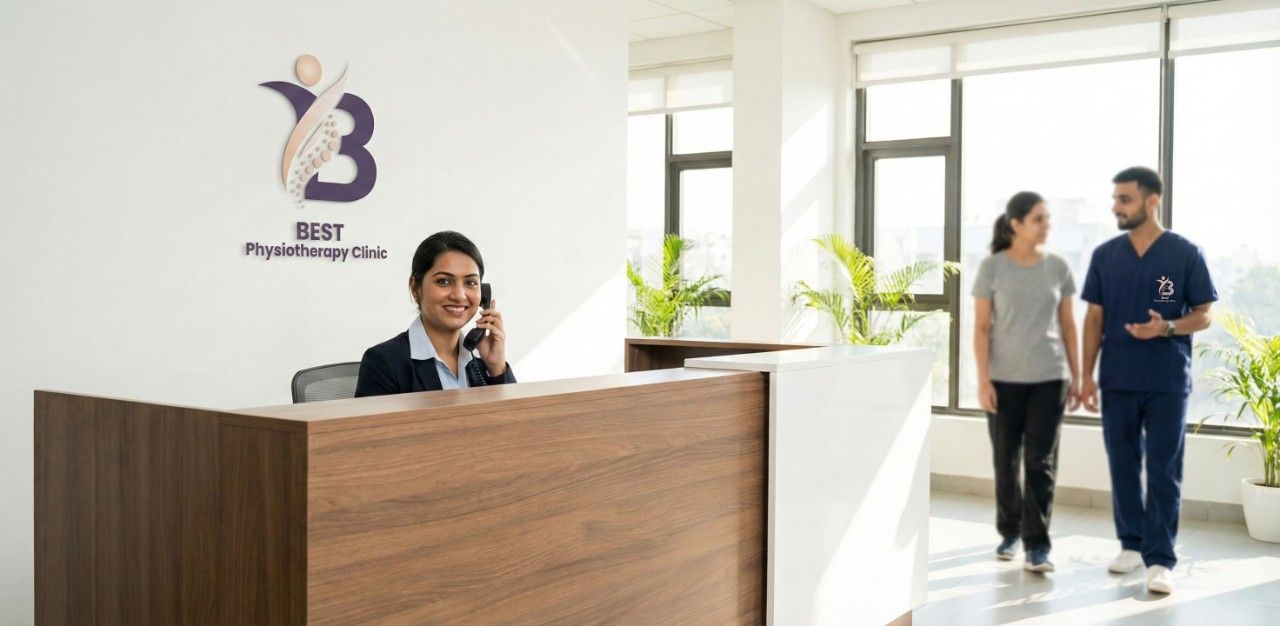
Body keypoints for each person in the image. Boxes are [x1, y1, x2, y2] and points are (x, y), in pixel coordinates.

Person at [1080, 167, 1216, 595]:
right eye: (1115, 199)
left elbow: (1204, 314)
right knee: (1122, 465)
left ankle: (1160, 559)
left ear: (1152, 200)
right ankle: (1131, 545)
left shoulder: (1184, 253)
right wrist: (1084, 375)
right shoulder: (1105, 255)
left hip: (1166, 382)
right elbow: (1094, 318)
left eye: (1125, 199)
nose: (1116, 207)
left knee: (1163, 470)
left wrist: (1168, 327)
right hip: (1117, 377)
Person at [973, 191, 1080, 573]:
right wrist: (983, 381)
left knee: (1039, 462)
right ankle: (1010, 532)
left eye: (1048, 217)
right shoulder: (992, 268)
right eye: (1039, 218)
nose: (1047, 224)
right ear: (1016, 224)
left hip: (1049, 378)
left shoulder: (1059, 267)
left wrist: (1078, 375)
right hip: (1002, 381)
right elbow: (981, 328)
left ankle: (1037, 545)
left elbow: (1068, 326)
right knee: (1005, 460)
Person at [355, 231, 515, 396]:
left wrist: (496, 367)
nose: (459, 296)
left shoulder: (482, 361)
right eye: (444, 281)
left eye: (470, 282)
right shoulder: (383, 362)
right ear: (416, 288)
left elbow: (517, 413)